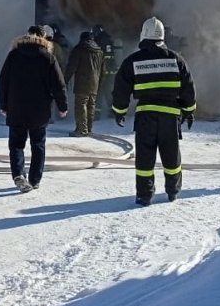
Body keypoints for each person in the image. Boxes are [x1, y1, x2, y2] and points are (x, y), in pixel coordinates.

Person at [112, 16, 196, 206]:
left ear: (143, 35)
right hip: (170, 116)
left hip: (146, 117)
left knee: (145, 158)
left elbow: (121, 88)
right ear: (162, 36)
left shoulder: (133, 60)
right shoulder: (176, 59)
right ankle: (173, 191)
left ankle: (144, 195)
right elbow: (188, 88)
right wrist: (189, 110)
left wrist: (120, 111)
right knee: (171, 155)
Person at [0, 25, 68, 192]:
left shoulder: (13, 55)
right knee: (38, 144)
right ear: (43, 37)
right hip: (40, 109)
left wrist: (4, 105)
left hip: (16, 107)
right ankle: (35, 179)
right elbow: (58, 84)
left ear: (26, 36)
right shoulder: (48, 57)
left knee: (16, 144)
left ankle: (18, 175)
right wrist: (62, 105)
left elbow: (3, 80)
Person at [64, 29, 105, 136]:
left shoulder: (79, 49)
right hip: (94, 84)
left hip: (82, 83)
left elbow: (71, 67)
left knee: (81, 105)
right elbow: (103, 71)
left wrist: (64, 81)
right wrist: (99, 85)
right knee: (91, 106)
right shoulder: (99, 51)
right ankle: (89, 128)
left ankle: (81, 129)